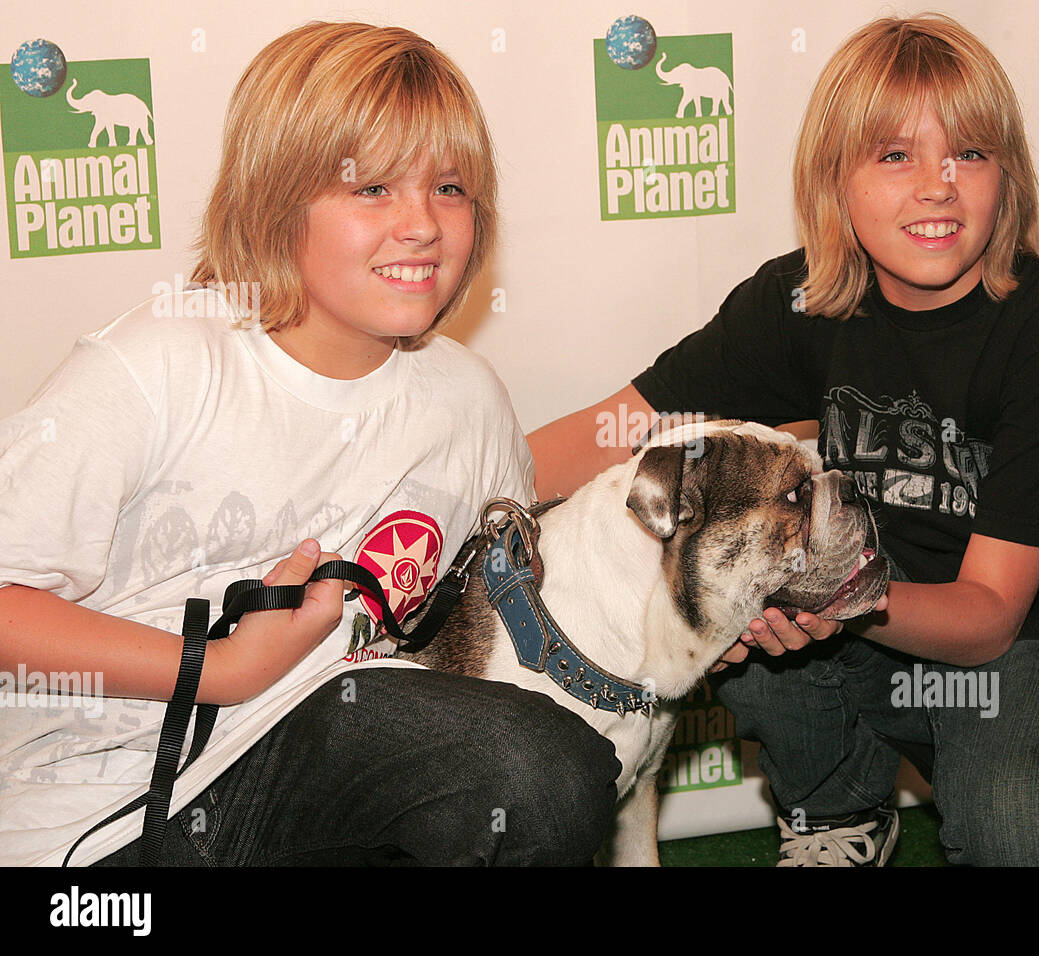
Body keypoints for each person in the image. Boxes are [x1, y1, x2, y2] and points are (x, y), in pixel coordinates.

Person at [529, 14, 1039, 867]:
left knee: (1022, 836)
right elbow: (610, 431)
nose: (938, 185)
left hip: (1025, 642)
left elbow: (988, 620)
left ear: (1008, 175)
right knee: (726, 580)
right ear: (836, 180)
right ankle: (836, 812)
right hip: (859, 623)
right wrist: (440, 491)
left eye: (970, 152)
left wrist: (820, 596)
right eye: (895, 156)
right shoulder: (798, 301)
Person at [0, 21, 619, 867]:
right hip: (103, 804)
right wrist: (216, 668)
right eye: (371, 191)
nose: (422, 225)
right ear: (276, 198)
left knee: (539, 767)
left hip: (315, 765)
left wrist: (710, 596)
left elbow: (517, 594)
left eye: (449, 188)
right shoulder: (160, 362)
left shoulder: (467, 399)